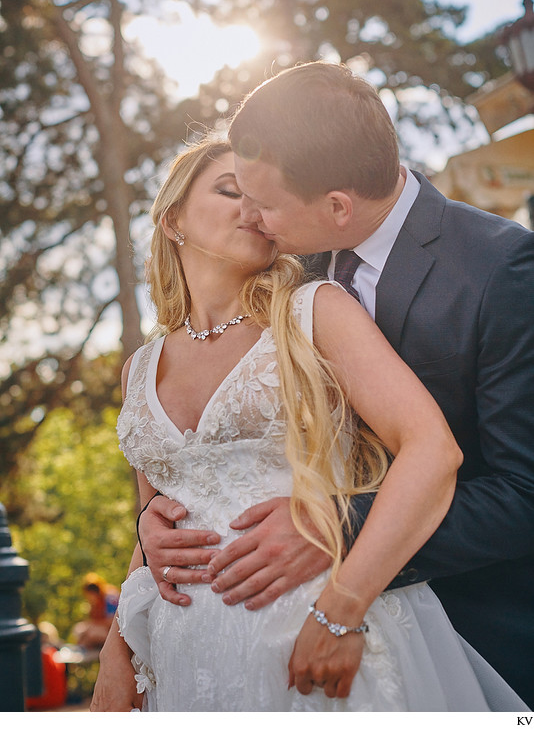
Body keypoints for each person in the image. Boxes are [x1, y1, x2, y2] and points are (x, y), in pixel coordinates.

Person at [137, 62, 534, 708]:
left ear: (338, 205)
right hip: (258, 634)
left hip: (472, 627)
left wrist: (333, 529)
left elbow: (526, 490)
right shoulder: (289, 267)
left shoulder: (501, 268)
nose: (255, 221)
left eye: (262, 203)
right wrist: (157, 523)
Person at [72, 573, 119, 649]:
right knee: (79, 630)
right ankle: (82, 650)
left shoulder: (110, 598)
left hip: (113, 632)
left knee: (93, 633)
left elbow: (114, 621)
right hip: (99, 628)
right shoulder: (94, 602)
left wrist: (93, 625)